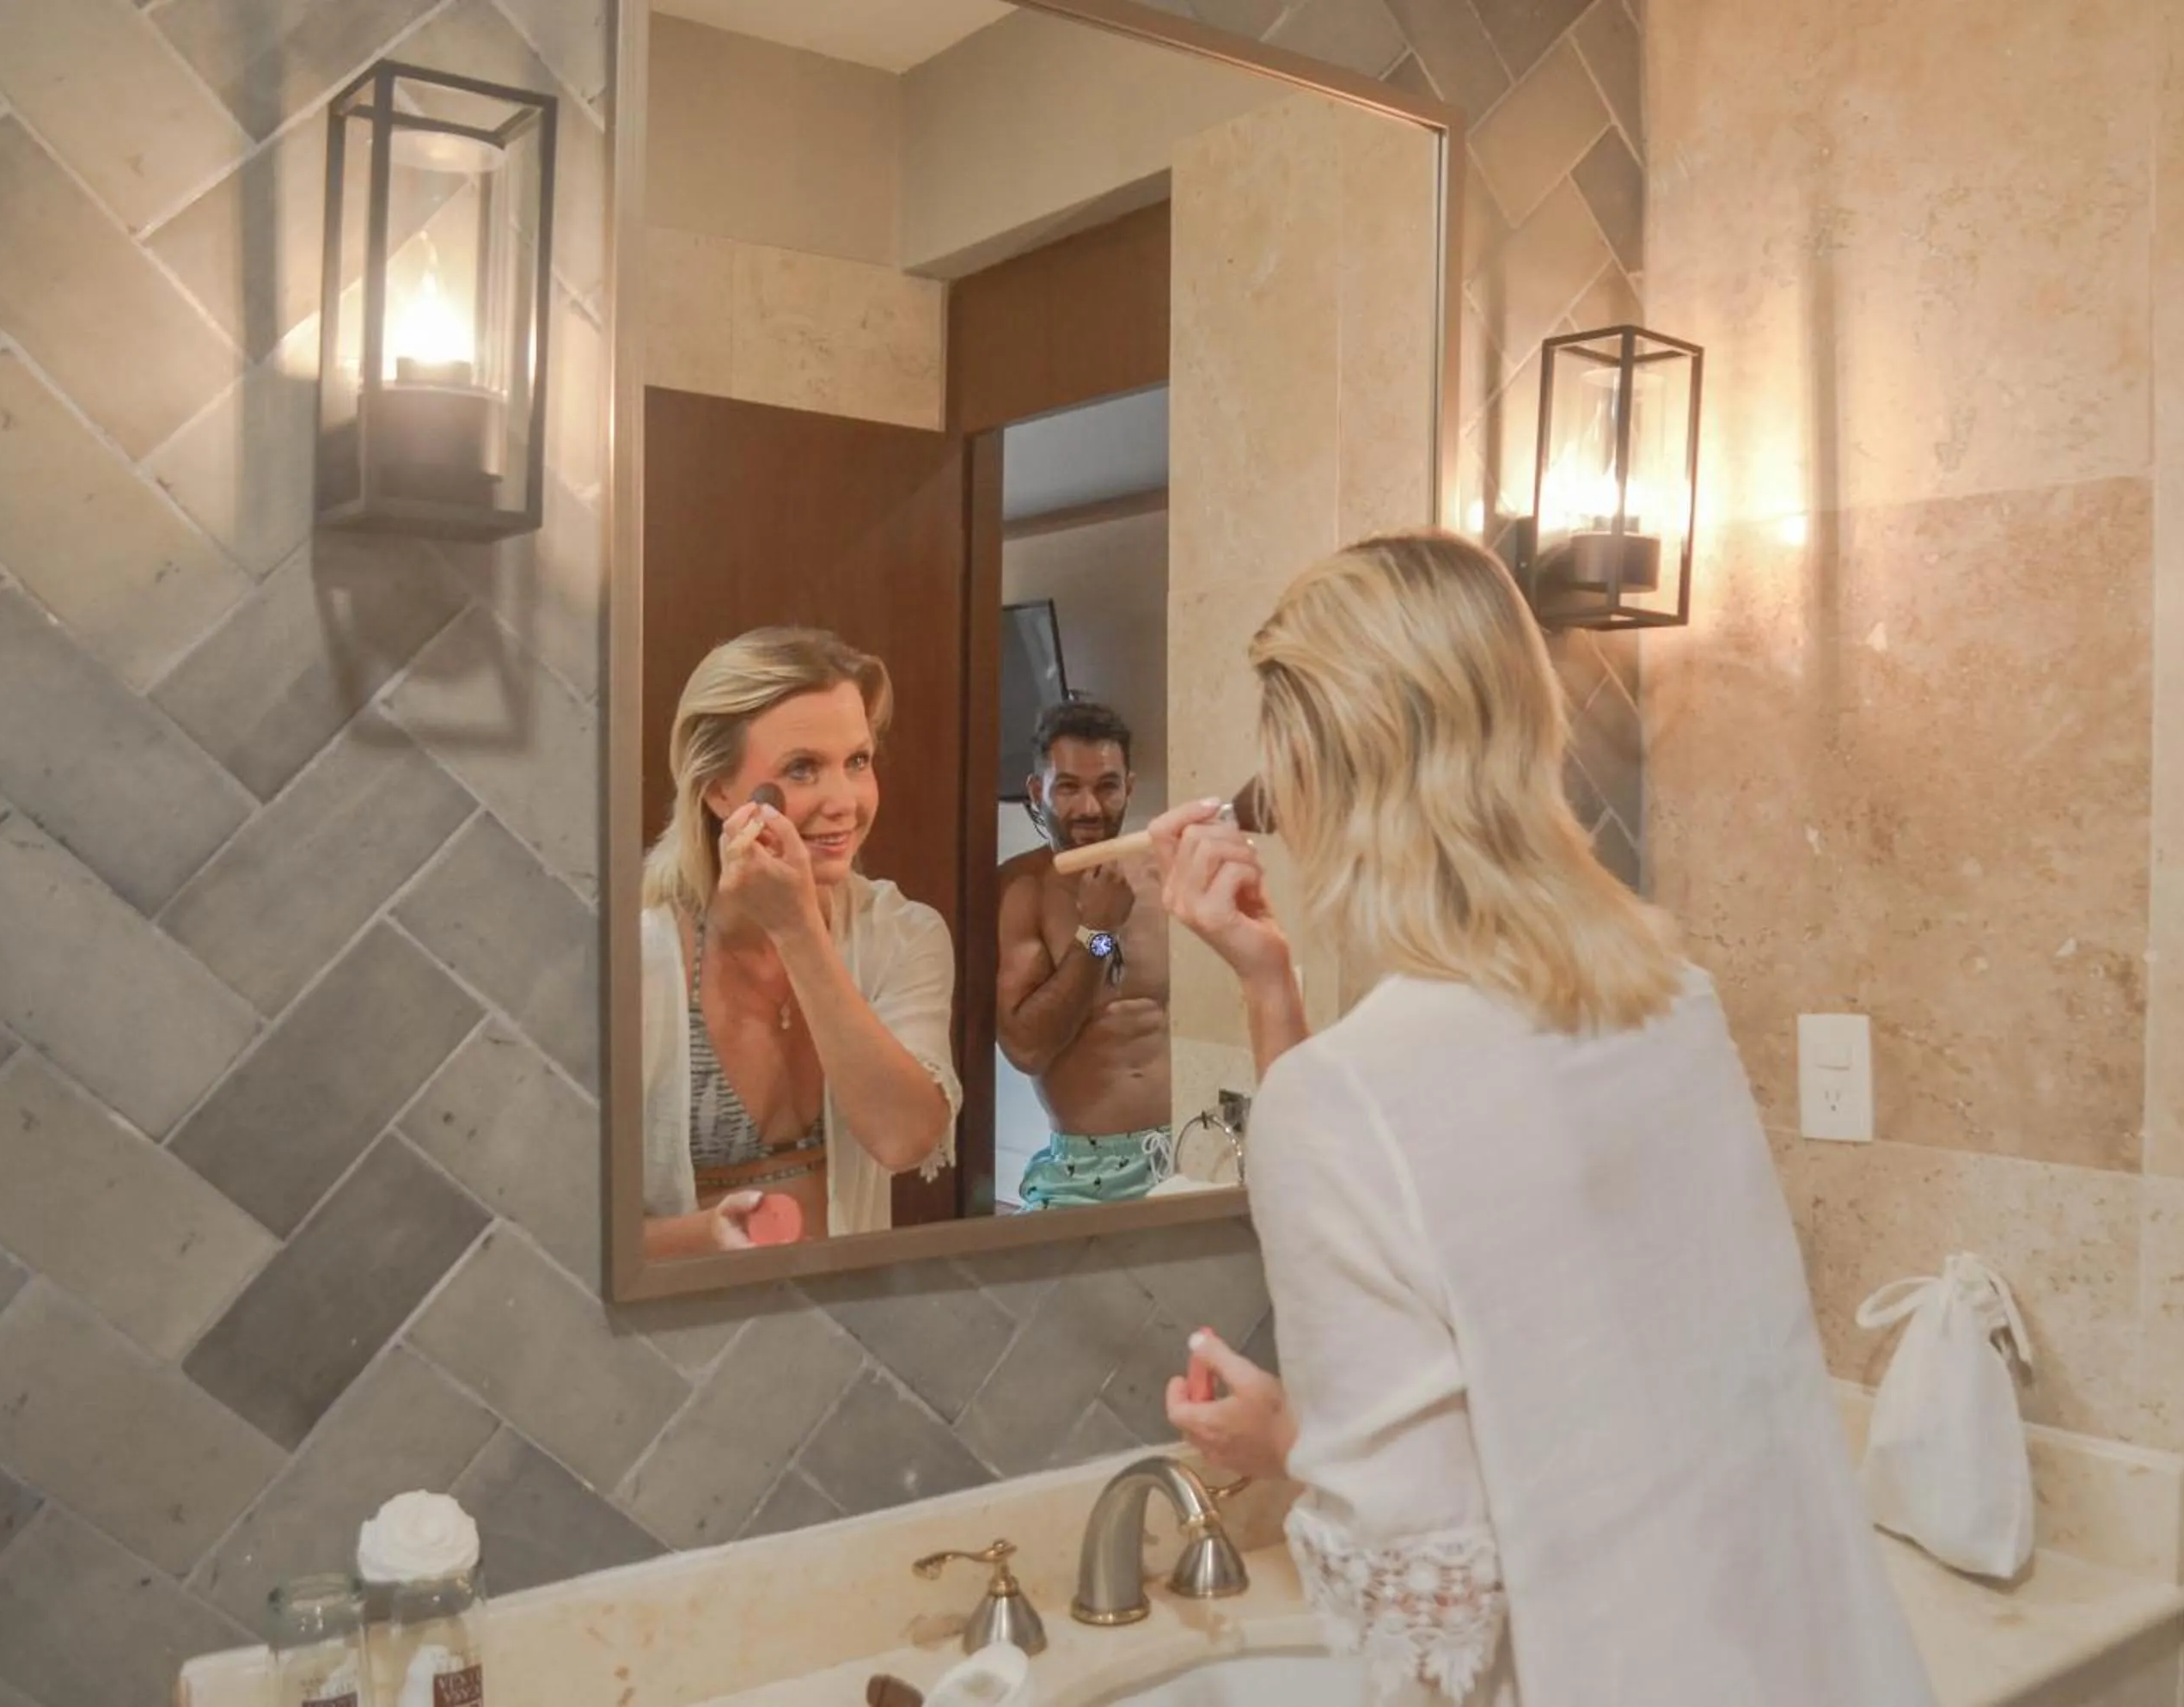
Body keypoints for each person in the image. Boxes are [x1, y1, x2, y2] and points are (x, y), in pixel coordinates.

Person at [1150, 533, 1935, 1706]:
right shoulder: (1673, 1004)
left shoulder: (1346, 1106)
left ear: (1316, 767)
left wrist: (1315, 1460)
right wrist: (1274, 988)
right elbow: (1564, 1370)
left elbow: (1429, 1635)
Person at [638, 627, 959, 1255]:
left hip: (847, 1320)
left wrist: (797, 930)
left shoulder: (904, 934)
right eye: (802, 768)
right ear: (718, 790)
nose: (845, 801)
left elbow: (904, 1137)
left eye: (858, 762)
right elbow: (565, 1230)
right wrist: (707, 1235)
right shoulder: (637, 953)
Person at [993, 700, 1175, 1208]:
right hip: (1083, 1171)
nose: (1091, 809)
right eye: (1069, 788)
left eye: (1107, 787)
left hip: (1183, 1149)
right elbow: (1027, 1048)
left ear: (1129, 788)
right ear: (1038, 791)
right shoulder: (1021, 889)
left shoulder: (1163, 876)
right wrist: (1098, 931)